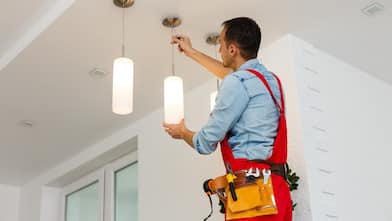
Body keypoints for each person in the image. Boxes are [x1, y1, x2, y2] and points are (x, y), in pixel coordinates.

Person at [163, 17, 292, 221]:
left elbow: (205, 143)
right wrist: (192, 52)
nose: (219, 50)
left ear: (232, 49)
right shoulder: (270, 80)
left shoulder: (238, 82)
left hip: (252, 193)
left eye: (221, 44)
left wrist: (182, 133)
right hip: (277, 191)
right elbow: (233, 75)